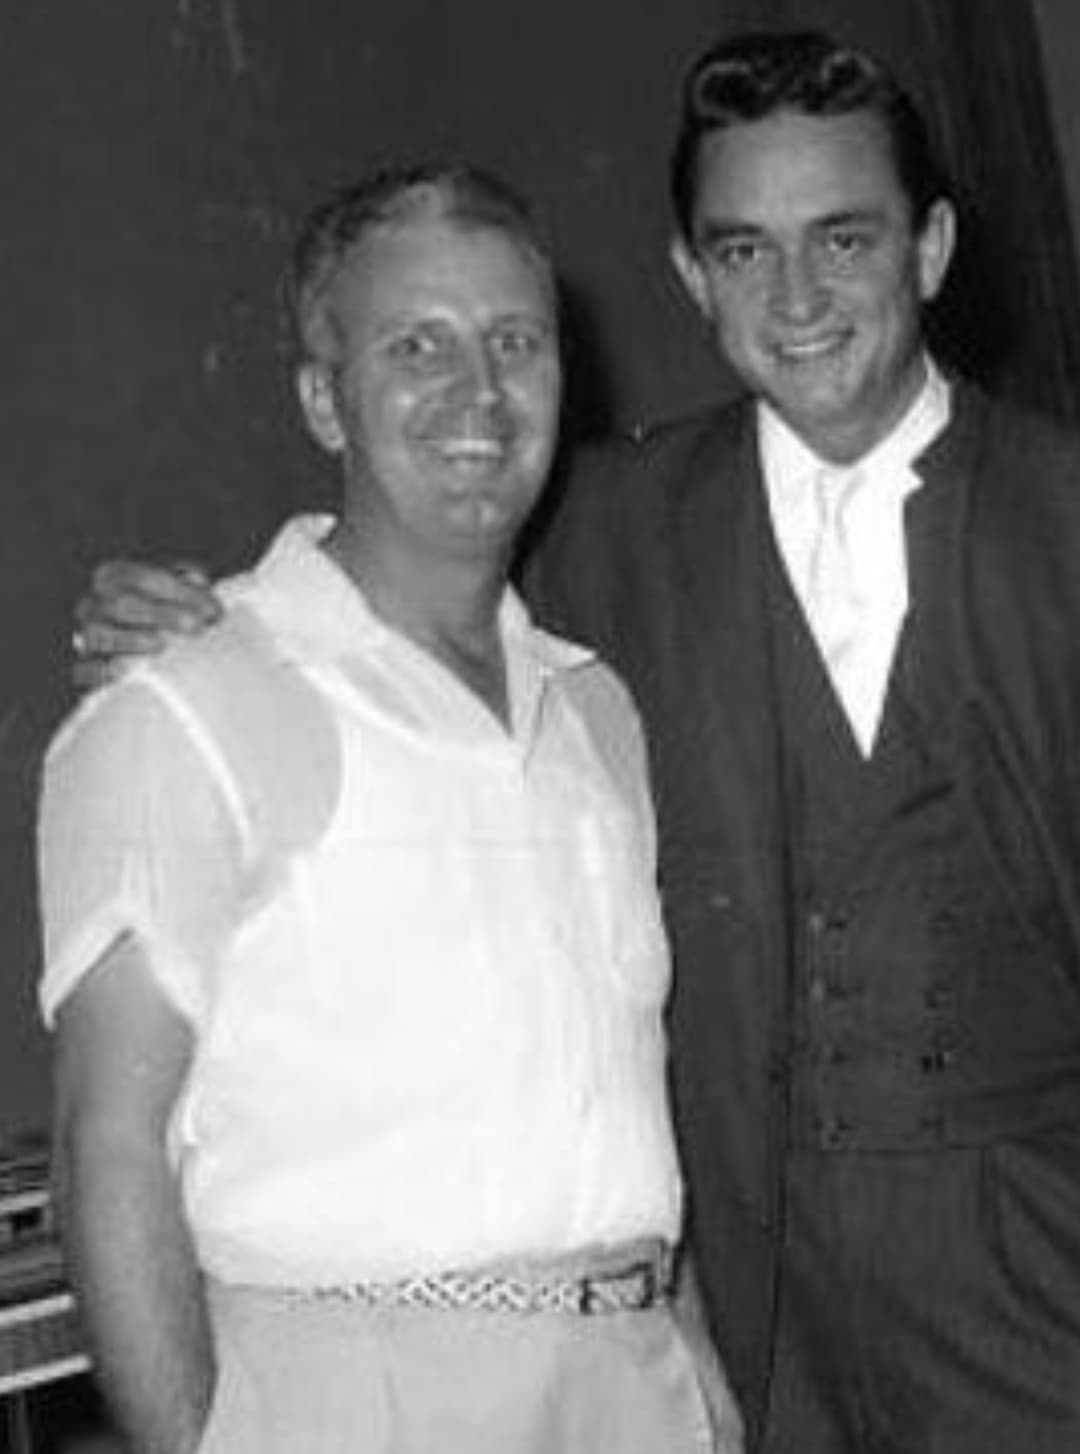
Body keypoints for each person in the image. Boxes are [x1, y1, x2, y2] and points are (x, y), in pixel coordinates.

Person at [67, 27, 1080, 1454]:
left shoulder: (1062, 516)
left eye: (844, 239)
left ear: (932, 248)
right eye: (741, 251)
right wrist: (176, 615)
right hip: (748, 1329)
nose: (796, 296)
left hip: (1043, 1304)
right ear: (686, 276)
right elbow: (394, 571)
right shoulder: (602, 527)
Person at [41, 162, 742, 1454]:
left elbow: (618, 1108)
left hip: (639, 1390)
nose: (478, 393)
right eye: (417, 344)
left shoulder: (598, 717)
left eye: (515, 343)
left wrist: (695, 1380)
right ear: (324, 396)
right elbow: (105, 1150)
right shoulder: (182, 710)